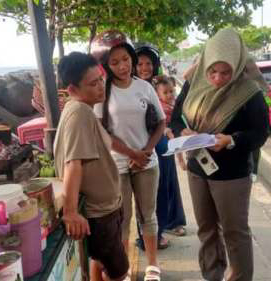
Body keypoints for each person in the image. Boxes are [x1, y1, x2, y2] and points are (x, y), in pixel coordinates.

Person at [170, 28, 269, 281]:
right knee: (206, 230)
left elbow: (260, 134)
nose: (217, 78)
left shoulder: (249, 91)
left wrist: (232, 140)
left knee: (235, 232)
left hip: (232, 175)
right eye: (212, 71)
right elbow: (174, 117)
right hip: (197, 169)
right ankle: (212, 275)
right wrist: (183, 130)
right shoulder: (194, 84)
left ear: (237, 66)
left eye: (225, 72)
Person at [91, 30, 166, 280]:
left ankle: (152, 265)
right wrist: (130, 152)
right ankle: (121, 270)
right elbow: (102, 130)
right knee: (122, 220)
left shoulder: (145, 86)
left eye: (125, 59)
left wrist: (145, 151)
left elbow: (161, 123)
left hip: (147, 162)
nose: (122, 66)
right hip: (118, 165)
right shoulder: (103, 91)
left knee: (148, 215)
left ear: (132, 58)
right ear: (106, 65)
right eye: (114, 62)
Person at [53, 52, 129, 281]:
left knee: (100, 262)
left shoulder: (80, 109)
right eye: (93, 83)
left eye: (101, 79)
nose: (101, 86)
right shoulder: (80, 113)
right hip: (99, 214)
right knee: (119, 271)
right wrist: (71, 212)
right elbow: (73, 164)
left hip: (105, 209)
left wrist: (134, 153)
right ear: (72, 89)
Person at [134, 45, 187, 250]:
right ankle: (147, 236)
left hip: (162, 144)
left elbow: (168, 115)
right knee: (145, 193)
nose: (145, 67)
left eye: (149, 63)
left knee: (164, 188)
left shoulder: (155, 85)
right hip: (141, 146)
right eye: (140, 63)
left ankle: (163, 228)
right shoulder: (130, 86)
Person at [151, 75, 187, 238]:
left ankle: (171, 222)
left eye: (171, 91)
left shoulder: (174, 105)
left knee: (169, 184)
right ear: (158, 94)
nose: (170, 94)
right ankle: (163, 224)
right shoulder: (160, 108)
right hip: (161, 147)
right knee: (162, 186)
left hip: (169, 148)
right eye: (166, 92)